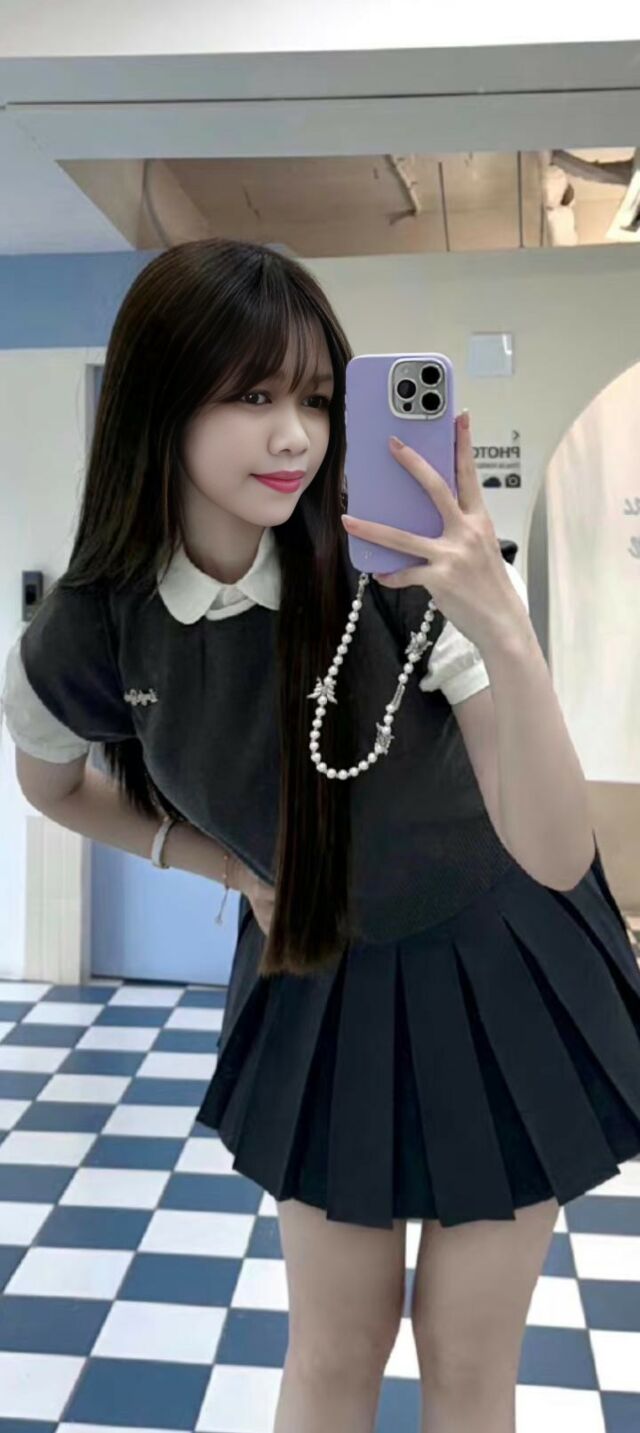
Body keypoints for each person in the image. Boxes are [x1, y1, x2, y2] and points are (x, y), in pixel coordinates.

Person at [2, 238, 640, 1433]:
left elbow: (558, 856)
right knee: (335, 1348)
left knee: (465, 1355)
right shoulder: (97, 624)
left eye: (312, 396)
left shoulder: (390, 567)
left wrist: (501, 624)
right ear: (158, 404)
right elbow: (53, 785)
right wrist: (221, 863)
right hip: (314, 970)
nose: (294, 435)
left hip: (500, 954)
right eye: (251, 395)